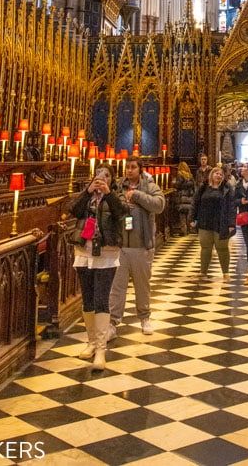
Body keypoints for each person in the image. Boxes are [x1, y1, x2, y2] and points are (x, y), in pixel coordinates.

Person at [69, 165, 126, 370]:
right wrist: (87, 192)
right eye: (99, 175)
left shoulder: (116, 196)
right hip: (84, 251)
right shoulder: (87, 196)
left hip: (106, 252)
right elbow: (73, 210)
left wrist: (109, 195)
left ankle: (101, 349)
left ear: (112, 179)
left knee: (102, 299)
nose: (102, 179)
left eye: (107, 175)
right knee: (88, 300)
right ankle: (91, 342)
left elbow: (122, 213)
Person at [108, 157, 165, 338]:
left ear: (140, 170)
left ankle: (144, 318)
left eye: (133, 167)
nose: (129, 170)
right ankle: (112, 322)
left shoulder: (149, 185)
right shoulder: (118, 186)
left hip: (142, 245)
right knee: (117, 286)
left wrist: (138, 196)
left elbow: (159, 205)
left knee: (142, 285)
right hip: (121, 245)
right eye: (127, 168)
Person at [190, 165, 236, 281]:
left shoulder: (226, 188)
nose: (219, 176)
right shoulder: (203, 187)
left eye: (221, 174)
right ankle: (203, 272)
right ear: (211, 174)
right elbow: (195, 202)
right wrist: (192, 218)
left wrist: (231, 223)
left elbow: (232, 206)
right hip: (205, 221)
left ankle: (225, 273)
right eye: (216, 173)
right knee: (205, 247)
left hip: (221, 222)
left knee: (222, 248)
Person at [174, 161, 195, 235]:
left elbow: (178, 185)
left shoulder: (180, 175)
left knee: (182, 214)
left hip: (182, 197)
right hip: (189, 197)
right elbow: (193, 187)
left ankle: (184, 230)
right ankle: (189, 229)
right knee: (188, 214)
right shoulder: (190, 176)